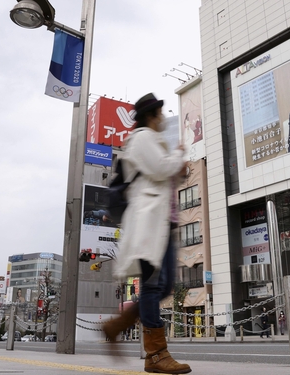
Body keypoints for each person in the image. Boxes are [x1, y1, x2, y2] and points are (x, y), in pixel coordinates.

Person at [102, 93, 190, 374]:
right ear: (152, 115)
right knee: (153, 286)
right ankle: (156, 354)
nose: (164, 118)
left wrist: (178, 165)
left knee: (163, 287)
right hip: (149, 224)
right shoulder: (141, 138)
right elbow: (160, 168)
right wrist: (178, 155)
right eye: (161, 113)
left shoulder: (154, 141)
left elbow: (163, 173)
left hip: (163, 223)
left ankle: (116, 326)